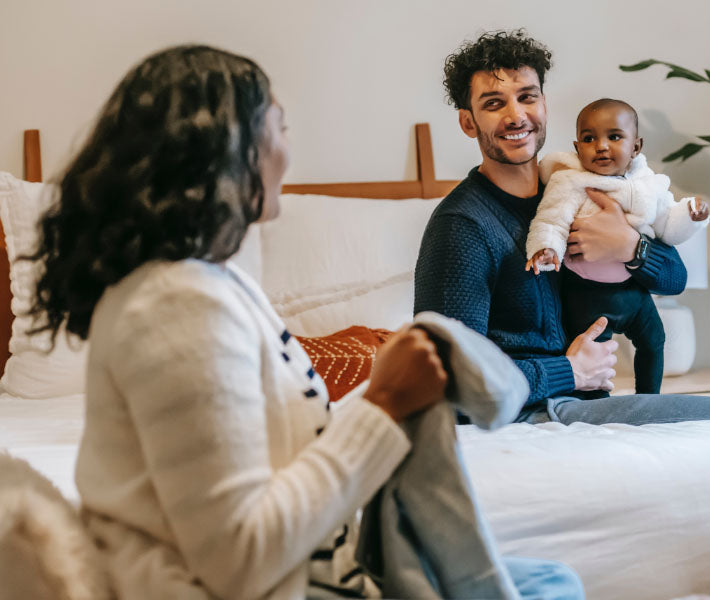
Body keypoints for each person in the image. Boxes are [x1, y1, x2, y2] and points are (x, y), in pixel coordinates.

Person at [27, 45, 581, 599]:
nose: (289, 153)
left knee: (553, 580)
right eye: (280, 129)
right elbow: (239, 560)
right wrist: (384, 405)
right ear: (228, 151)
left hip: (318, 566)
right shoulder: (173, 312)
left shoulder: (211, 283)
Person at [415, 29, 710, 424]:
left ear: (544, 105)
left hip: (589, 404)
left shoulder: (583, 189)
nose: (516, 115)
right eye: (494, 103)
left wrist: (629, 247)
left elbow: (675, 279)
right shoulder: (462, 226)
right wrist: (568, 372)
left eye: (527, 97)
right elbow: (450, 380)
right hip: (530, 414)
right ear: (469, 122)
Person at [525, 98, 710, 394]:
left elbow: (667, 224)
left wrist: (691, 215)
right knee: (592, 359)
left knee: (654, 340)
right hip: (586, 295)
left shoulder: (647, 186)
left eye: (614, 137)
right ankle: (595, 405)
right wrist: (546, 247)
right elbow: (552, 219)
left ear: (636, 147)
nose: (601, 146)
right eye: (589, 138)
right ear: (577, 148)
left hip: (632, 291)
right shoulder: (570, 182)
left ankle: (649, 398)